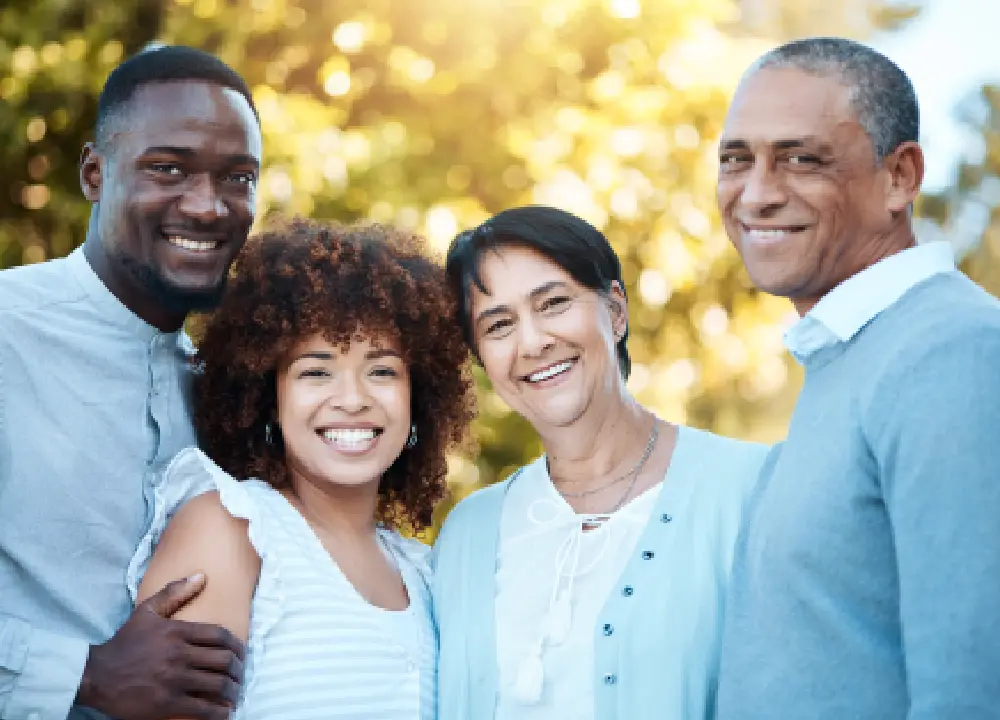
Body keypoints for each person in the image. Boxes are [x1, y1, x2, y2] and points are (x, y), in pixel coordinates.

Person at [714, 37, 1000, 719]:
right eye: (735, 160)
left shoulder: (953, 352)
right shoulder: (852, 359)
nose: (755, 194)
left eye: (800, 159)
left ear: (900, 177)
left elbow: (972, 692)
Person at [0, 46, 262, 719]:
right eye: (167, 168)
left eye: (237, 178)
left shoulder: (230, 389)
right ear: (95, 172)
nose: (207, 207)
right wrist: (81, 676)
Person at [432, 205, 770, 719]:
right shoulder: (466, 535)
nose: (533, 342)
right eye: (498, 325)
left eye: (553, 303)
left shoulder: (750, 490)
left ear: (615, 311)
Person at [134, 218, 475, 719]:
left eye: (381, 371)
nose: (353, 399)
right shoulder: (233, 528)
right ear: (267, 398)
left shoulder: (424, 574)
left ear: (417, 397)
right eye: (316, 371)